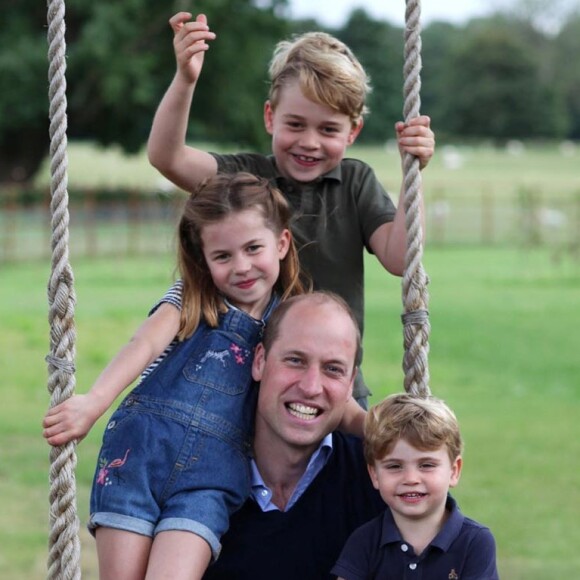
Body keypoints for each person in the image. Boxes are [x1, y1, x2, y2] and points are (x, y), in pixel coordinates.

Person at [43, 172, 335, 580]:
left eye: (254, 248)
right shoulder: (193, 299)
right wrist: (93, 403)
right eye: (223, 256)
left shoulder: (288, 320)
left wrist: (369, 424)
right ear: (203, 258)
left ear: (282, 243)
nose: (242, 267)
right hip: (138, 457)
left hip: (211, 481)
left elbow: (317, 378)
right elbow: (142, 345)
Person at [147, 11, 436, 408]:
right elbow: (168, 157)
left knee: (349, 468)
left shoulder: (355, 183)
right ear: (270, 117)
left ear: (353, 132)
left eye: (329, 129)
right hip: (244, 391)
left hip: (335, 390)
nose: (310, 142)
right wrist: (186, 79)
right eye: (295, 124)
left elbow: (401, 257)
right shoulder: (245, 179)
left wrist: (412, 173)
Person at [202, 291, 385, 580]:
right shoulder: (196, 475)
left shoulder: (381, 480)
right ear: (260, 360)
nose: (312, 387)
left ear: (351, 384)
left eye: (332, 369)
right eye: (296, 360)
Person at [331, 394, 499, 580]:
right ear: (374, 475)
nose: (410, 479)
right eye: (394, 466)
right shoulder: (364, 541)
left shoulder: (475, 542)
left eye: (426, 465)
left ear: (454, 471)